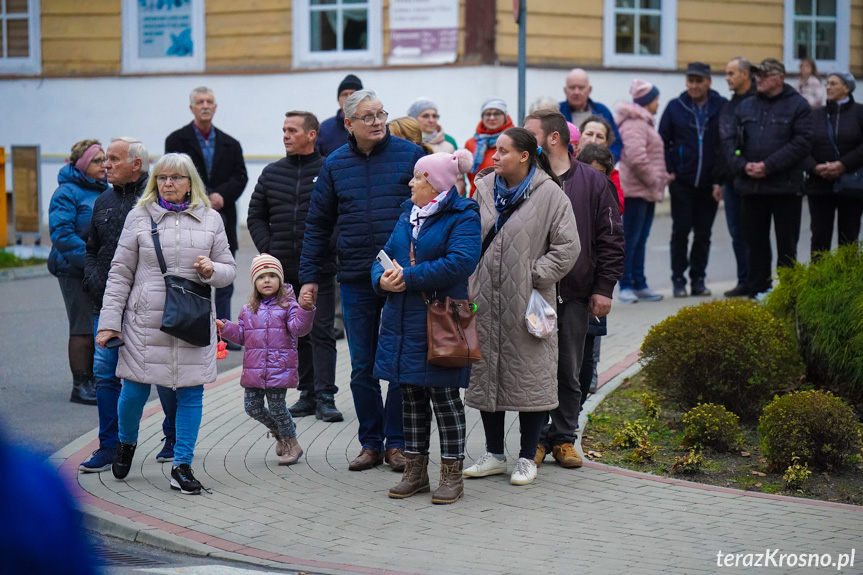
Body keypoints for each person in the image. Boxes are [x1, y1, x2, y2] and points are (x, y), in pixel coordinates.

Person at [95, 153, 236, 495]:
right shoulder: (139, 217)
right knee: (134, 390)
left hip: (192, 318)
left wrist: (211, 271)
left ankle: (182, 465)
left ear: (191, 183)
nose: (168, 184)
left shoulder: (211, 218)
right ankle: (126, 443)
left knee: (191, 392)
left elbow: (228, 269)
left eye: (175, 178)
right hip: (146, 320)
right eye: (161, 178)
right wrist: (110, 322)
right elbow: (120, 272)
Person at [300, 89, 425, 472]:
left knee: (400, 365)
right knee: (363, 366)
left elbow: (432, 209)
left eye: (380, 114)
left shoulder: (410, 156)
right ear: (348, 123)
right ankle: (371, 443)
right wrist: (308, 278)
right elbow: (318, 224)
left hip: (403, 277)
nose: (377, 122)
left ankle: (397, 444)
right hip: (355, 277)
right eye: (368, 117)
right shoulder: (336, 164)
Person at [462, 127, 580, 486]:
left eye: (503, 151)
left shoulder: (550, 194)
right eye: (494, 151)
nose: (494, 157)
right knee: (487, 377)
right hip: (483, 300)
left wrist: (534, 275)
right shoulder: (483, 190)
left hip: (527, 302)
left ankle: (527, 457)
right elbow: (468, 236)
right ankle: (495, 454)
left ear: (525, 156)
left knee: (531, 378)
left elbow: (568, 247)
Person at [372, 149, 480, 504]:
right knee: (411, 395)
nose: (411, 182)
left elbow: (461, 262)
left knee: (444, 398)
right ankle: (415, 472)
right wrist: (382, 281)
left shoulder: (463, 214)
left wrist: (409, 276)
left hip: (440, 321)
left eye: (418, 177)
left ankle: (451, 476)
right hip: (403, 320)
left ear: (435, 184)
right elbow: (384, 254)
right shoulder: (409, 214)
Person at [524, 111, 624, 471]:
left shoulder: (594, 182)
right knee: (534, 371)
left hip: (578, 294)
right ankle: (533, 440)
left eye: (530, 132)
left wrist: (604, 288)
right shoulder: (527, 179)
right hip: (532, 293)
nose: (522, 136)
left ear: (552, 139)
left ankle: (564, 438)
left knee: (570, 370)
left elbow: (611, 239)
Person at [79, 137, 178, 472]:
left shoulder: (157, 201)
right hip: (106, 304)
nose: (106, 165)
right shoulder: (103, 200)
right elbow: (91, 248)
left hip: (148, 306)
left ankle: (173, 437)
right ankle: (108, 446)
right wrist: (94, 282)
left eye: (114, 159)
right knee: (105, 375)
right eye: (106, 159)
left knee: (162, 372)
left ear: (136, 164)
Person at [246, 111, 342, 423]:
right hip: (283, 270)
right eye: (284, 130)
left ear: (311, 135)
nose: (285, 135)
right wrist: (269, 251)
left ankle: (326, 397)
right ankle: (307, 394)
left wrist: (326, 245)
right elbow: (255, 215)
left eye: (292, 130)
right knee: (294, 333)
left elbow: (341, 214)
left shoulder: (330, 168)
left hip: (320, 268)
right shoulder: (272, 173)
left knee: (323, 331)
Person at [721, 58, 813, 299]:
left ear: (780, 78)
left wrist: (768, 166)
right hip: (752, 187)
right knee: (755, 244)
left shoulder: (798, 105)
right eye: (756, 75)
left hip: (785, 188)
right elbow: (730, 142)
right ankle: (757, 291)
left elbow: (803, 142)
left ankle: (788, 295)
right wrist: (743, 165)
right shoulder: (745, 106)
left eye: (764, 75)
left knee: (787, 245)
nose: (758, 78)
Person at [164, 86, 248, 339]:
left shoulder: (230, 143)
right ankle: (197, 328)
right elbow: (176, 173)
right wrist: (206, 195)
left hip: (224, 216)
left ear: (215, 106)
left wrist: (221, 196)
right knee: (195, 275)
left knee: (223, 275)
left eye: (209, 101)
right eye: (200, 101)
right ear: (192, 108)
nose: (205, 105)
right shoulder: (176, 140)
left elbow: (240, 176)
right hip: (189, 216)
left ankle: (223, 332)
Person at [217, 254, 315, 465]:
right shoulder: (248, 309)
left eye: (272, 275)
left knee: (278, 407)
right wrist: (226, 328)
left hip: (278, 367)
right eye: (262, 277)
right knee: (252, 407)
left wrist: (306, 310)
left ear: (280, 279)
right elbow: (242, 336)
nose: (267, 280)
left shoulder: (288, 306)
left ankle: (292, 444)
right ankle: (283, 430)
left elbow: (300, 329)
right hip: (254, 369)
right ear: (255, 282)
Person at [659, 62, 728, 298]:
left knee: (703, 234)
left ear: (709, 82)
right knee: (680, 231)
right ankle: (678, 280)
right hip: (682, 183)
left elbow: (726, 145)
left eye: (699, 81)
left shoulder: (721, 106)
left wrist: (720, 180)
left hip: (710, 184)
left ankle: (698, 279)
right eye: (691, 81)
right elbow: (663, 141)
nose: (694, 85)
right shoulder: (675, 107)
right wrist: (670, 170)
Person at [48, 139, 108, 405]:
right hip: (73, 269)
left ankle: (95, 380)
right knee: (82, 327)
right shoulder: (66, 193)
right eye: (97, 161)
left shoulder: (104, 189)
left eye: (105, 160)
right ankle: (80, 385)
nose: (104, 165)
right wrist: (91, 262)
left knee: (97, 326)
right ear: (83, 164)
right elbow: (61, 234)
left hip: (96, 268)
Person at [616, 80, 672, 304]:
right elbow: (637, 158)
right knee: (630, 239)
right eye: (656, 99)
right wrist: (655, 180)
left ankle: (640, 283)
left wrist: (660, 179)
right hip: (636, 191)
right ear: (647, 101)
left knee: (640, 239)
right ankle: (626, 285)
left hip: (646, 190)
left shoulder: (644, 122)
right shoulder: (635, 124)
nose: (658, 104)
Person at [576, 143, 620, 402]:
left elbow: (613, 244)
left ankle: (575, 416)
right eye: (590, 171)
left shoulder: (607, 194)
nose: (595, 179)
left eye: (601, 173)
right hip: (572, 285)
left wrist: (604, 288)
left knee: (587, 355)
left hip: (593, 286)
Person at [804, 72, 863, 255]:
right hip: (819, 185)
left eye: (833, 84)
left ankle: (847, 283)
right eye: (827, 83)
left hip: (851, 184)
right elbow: (801, 145)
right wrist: (814, 167)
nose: (828, 87)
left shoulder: (860, 113)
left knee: (849, 238)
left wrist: (842, 165)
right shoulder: (815, 115)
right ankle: (820, 283)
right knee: (819, 238)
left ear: (847, 88)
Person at [719, 56, 757, 297]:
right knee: (736, 232)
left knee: (753, 231)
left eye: (731, 73)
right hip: (730, 179)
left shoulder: (757, 101)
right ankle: (744, 279)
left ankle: (757, 281)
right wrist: (719, 179)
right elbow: (722, 144)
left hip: (752, 178)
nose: (727, 78)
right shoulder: (730, 104)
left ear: (745, 74)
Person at [559, 68, 623, 161]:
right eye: (572, 88)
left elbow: (616, 143)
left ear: (589, 90)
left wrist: (605, 162)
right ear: (565, 90)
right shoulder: (557, 112)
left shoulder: (602, 111)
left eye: (581, 88)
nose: (576, 92)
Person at [465, 98, 515, 197]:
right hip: (477, 199)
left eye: (497, 113)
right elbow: (470, 176)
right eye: (487, 114)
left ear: (505, 116)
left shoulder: (515, 140)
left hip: (507, 198)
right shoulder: (471, 144)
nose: (492, 118)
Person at [580, 115, 625, 210]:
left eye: (599, 136)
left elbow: (618, 206)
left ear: (606, 143)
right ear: (580, 136)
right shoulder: (568, 164)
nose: (593, 140)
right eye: (589, 134)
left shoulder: (611, 172)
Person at [318, 74, 363, 157]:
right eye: (345, 94)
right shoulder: (324, 129)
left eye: (353, 94)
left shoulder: (370, 125)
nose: (349, 98)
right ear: (338, 100)